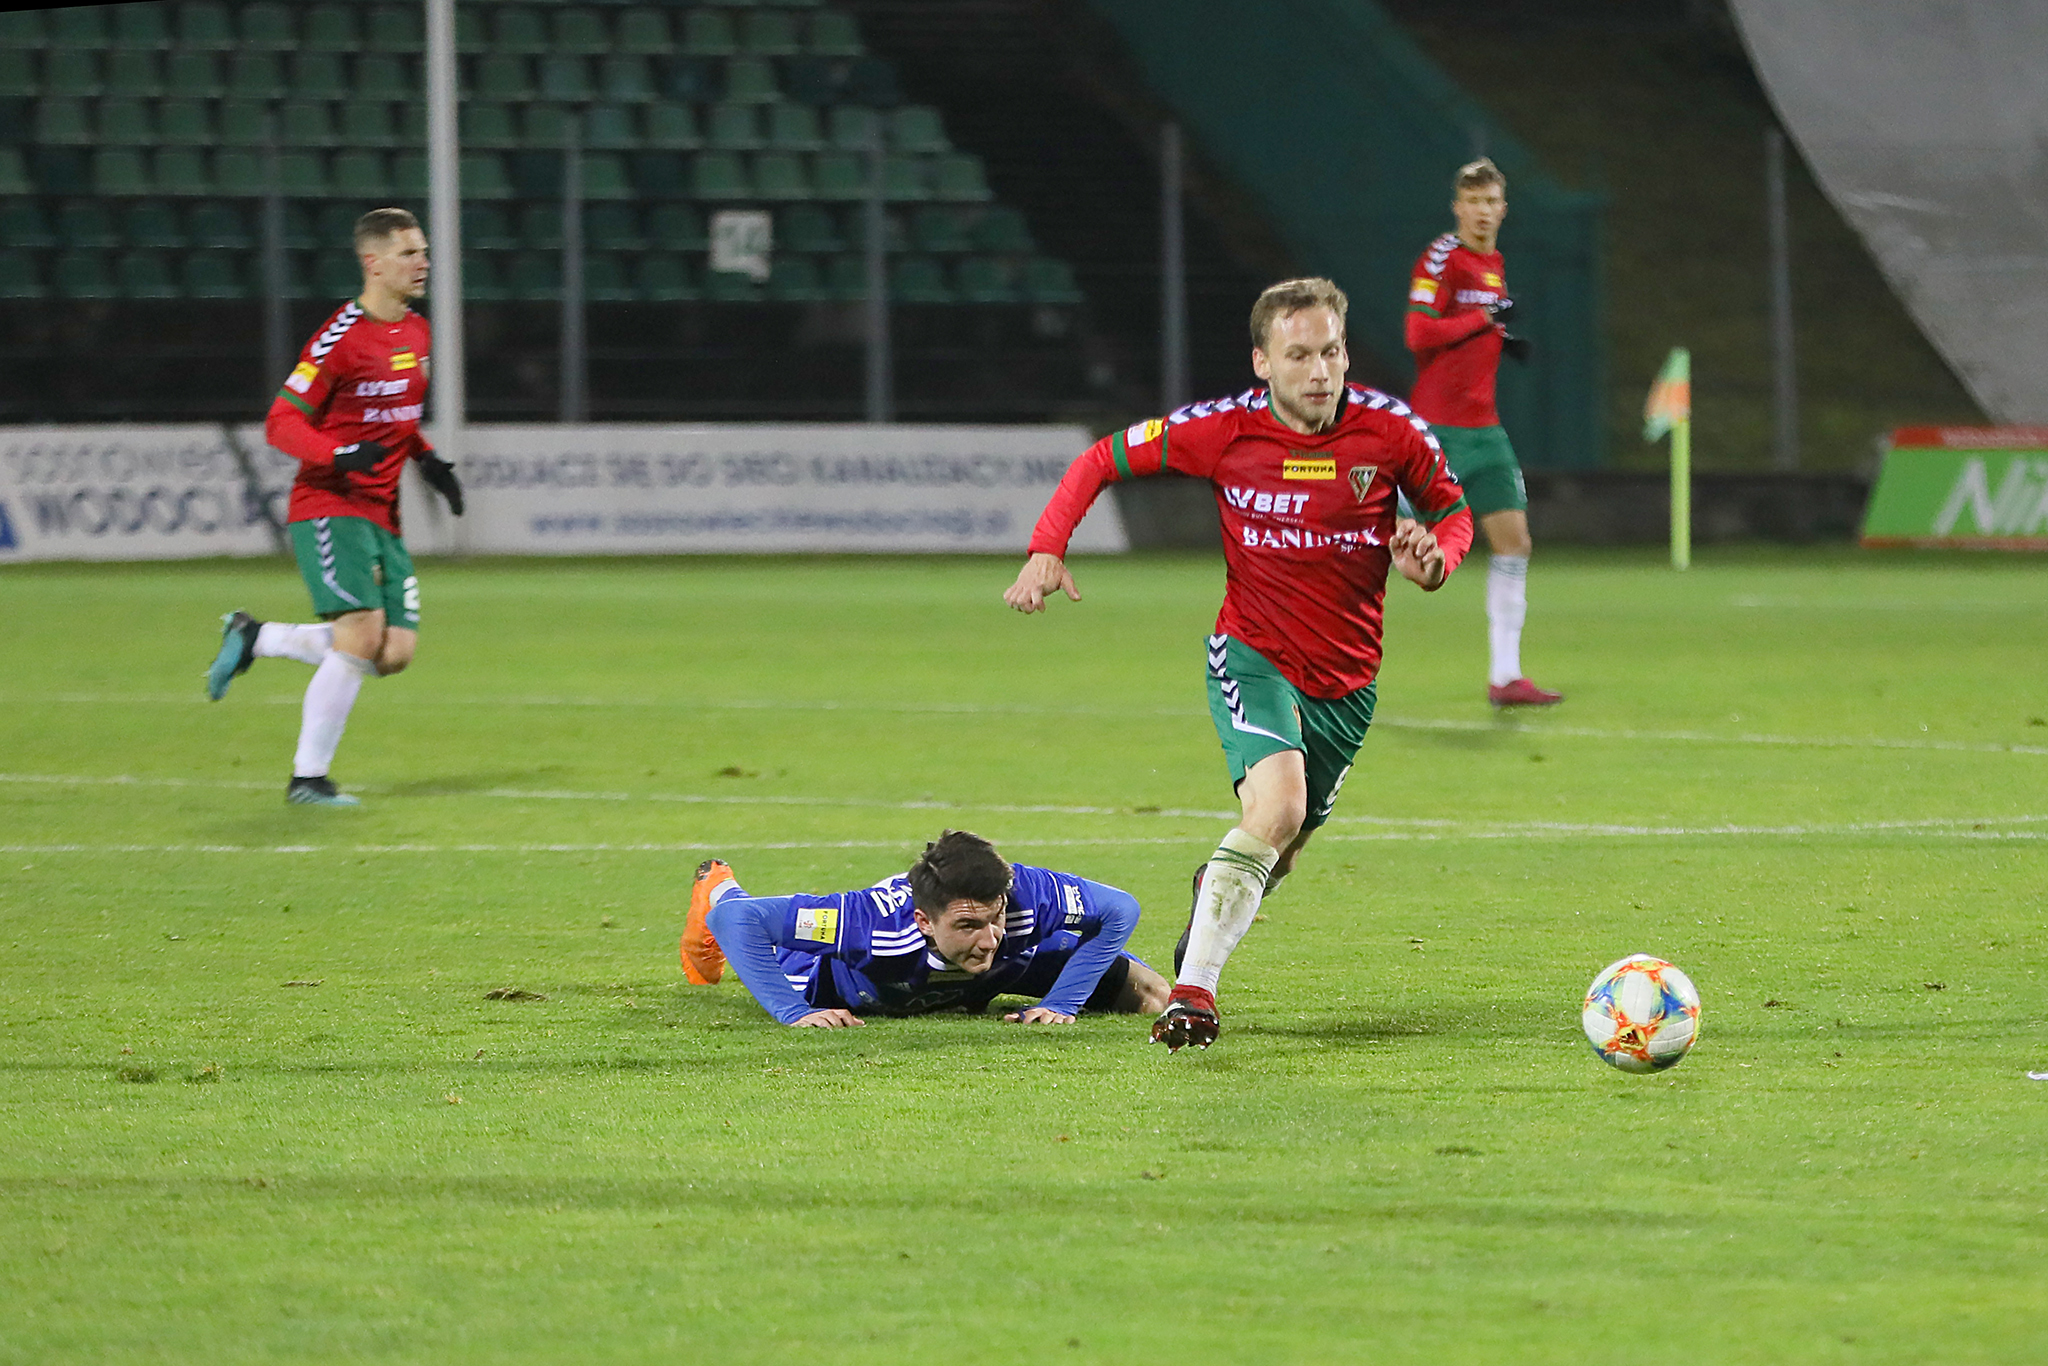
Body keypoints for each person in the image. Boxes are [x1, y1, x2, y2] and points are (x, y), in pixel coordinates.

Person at [1004, 277, 1474, 1052]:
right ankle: (1193, 994)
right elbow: (1101, 458)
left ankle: (1212, 890)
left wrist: (1435, 562)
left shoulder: (1394, 433)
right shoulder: (1221, 430)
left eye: (1332, 353)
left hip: (1348, 682)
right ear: (1262, 362)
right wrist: (1047, 546)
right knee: (1278, 807)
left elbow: (1451, 516)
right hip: (1253, 655)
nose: (1320, 372)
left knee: (1280, 846)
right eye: (1299, 355)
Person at [203, 208, 464, 806]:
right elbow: (281, 422)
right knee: (361, 634)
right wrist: (337, 454)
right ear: (373, 263)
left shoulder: (416, 332)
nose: (423, 263)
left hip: (382, 511)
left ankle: (257, 637)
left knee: (392, 653)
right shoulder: (339, 338)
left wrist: (426, 460)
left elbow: (396, 417)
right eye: (408, 253)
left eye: (423, 251)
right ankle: (308, 779)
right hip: (329, 503)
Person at [681, 830, 1167, 1027]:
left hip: (1003, 972)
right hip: (842, 983)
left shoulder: (1029, 895)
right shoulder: (869, 924)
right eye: (968, 924)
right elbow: (738, 923)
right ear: (924, 922)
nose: (988, 937)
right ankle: (718, 884)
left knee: (1154, 996)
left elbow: (1121, 909)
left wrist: (1062, 1003)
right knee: (733, 911)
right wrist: (793, 1013)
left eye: (995, 916)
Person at [1404, 157, 1562, 708]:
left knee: (1514, 543)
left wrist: (1499, 338)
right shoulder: (1442, 256)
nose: (1482, 211)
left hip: (1484, 430)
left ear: (1503, 209)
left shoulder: (1494, 262)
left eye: (1491, 201)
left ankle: (1506, 676)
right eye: (1473, 202)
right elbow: (1418, 332)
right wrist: (1485, 320)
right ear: (1457, 207)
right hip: (1438, 431)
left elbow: (1473, 327)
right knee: (1385, 548)